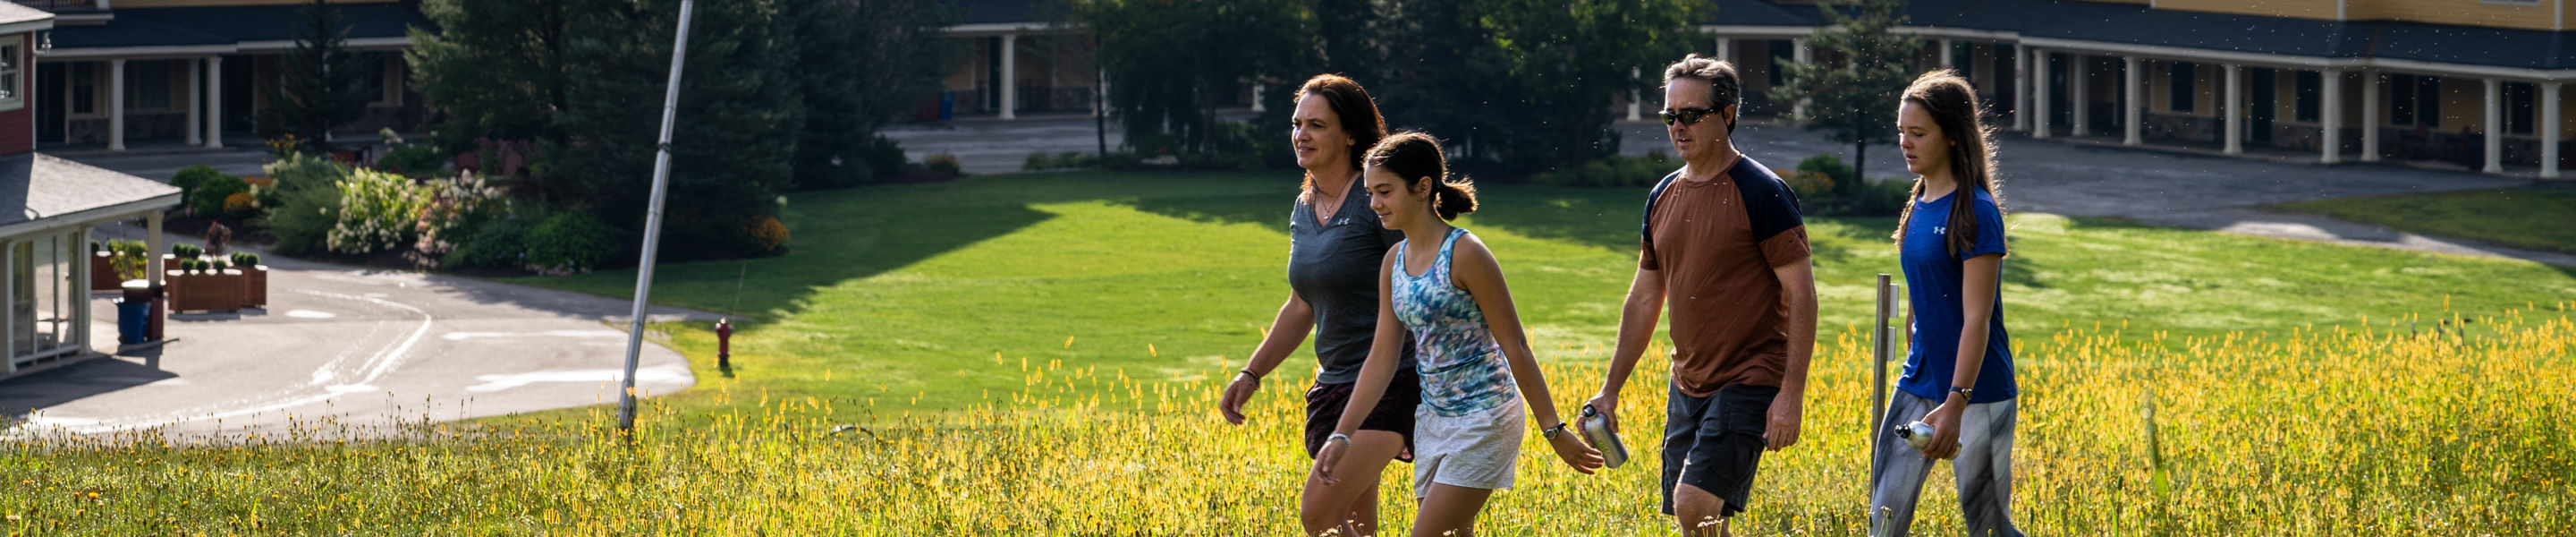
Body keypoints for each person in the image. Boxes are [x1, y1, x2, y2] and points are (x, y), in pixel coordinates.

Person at [1314, 132, 1603, 536]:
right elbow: (1381, 359)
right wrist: (1343, 434)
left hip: (1486, 416)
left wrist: (1554, 431)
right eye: (1370, 193)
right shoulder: (1393, 262)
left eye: (1384, 191)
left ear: (1423, 188)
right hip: (1433, 419)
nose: (1374, 204)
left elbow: (1515, 345)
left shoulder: (1466, 253)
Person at [1580, 54, 1818, 537]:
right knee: (1699, 521)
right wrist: (1611, 390)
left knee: (1694, 504)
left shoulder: (1762, 192)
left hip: (1750, 376)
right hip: (1687, 380)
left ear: (1727, 114)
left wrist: (1791, 394)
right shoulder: (1662, 194)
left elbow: (1804, 296)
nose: (1677, 125)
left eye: (1691, 115)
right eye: (1671, 115)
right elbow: (1645, 299)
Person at [1215, 73, 1423, 537]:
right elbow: (1301, 304)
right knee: (1355, 524)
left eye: (1316, 125)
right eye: (1296, 123)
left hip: (1392, 382)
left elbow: (1427, 272)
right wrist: (1252, 374)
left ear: (1350, 134)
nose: (1300, 135)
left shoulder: (1378, 202)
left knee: (1318, 513)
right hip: (1332, 385)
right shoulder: (1304, 206)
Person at [1868, 69, 2026, 537]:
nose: (1905, 143)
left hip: (1978, 392)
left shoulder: (1977, 212)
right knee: (1884, 517)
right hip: (1918, 383)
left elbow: (1975, 319)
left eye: (1918, 133)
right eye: (1901, 131)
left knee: (1988, 525)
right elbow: (1922, 300)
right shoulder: (1917, 203)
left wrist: (1957, 403)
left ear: (1953, 137)